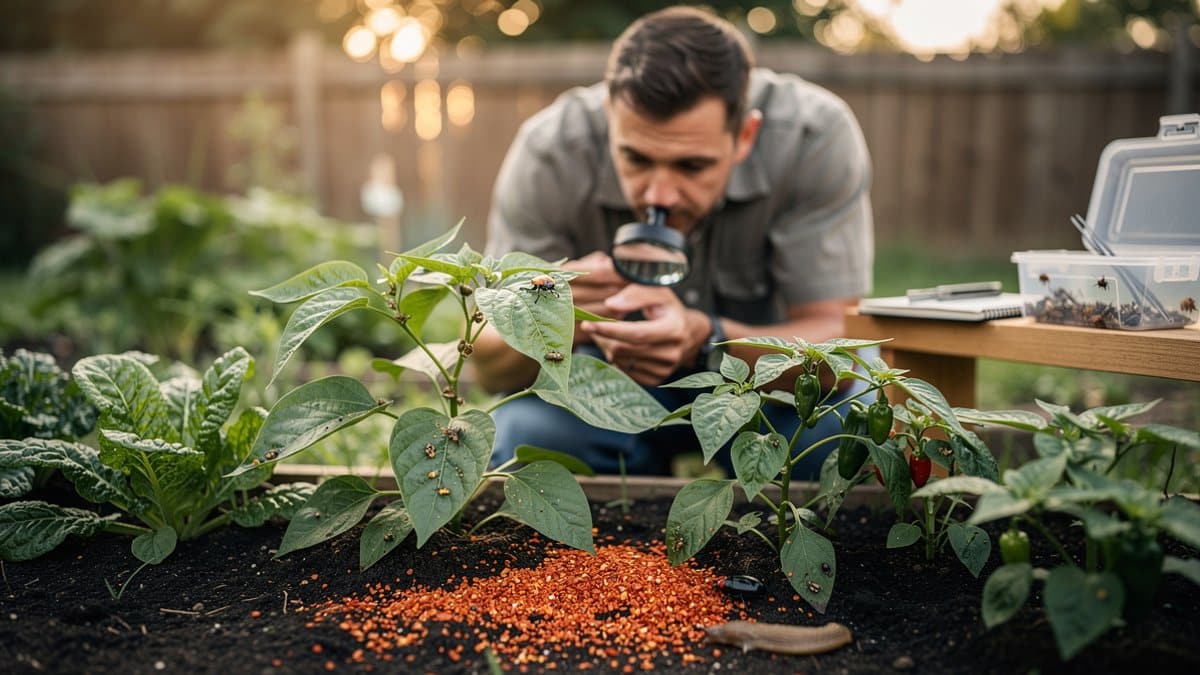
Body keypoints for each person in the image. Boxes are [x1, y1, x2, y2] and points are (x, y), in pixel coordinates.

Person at [471, 5, 875, 478]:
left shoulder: (812, 137)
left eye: (692, 166)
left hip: (767, 398)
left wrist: (707, 339)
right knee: (524, 438)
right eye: (636, 158)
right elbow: (489, 368)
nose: (658, 196)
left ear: (745, 136)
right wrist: (552, 317)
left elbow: (837, 355)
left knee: (843, 442)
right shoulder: (551, 150)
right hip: (607, 392)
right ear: (610, 120)